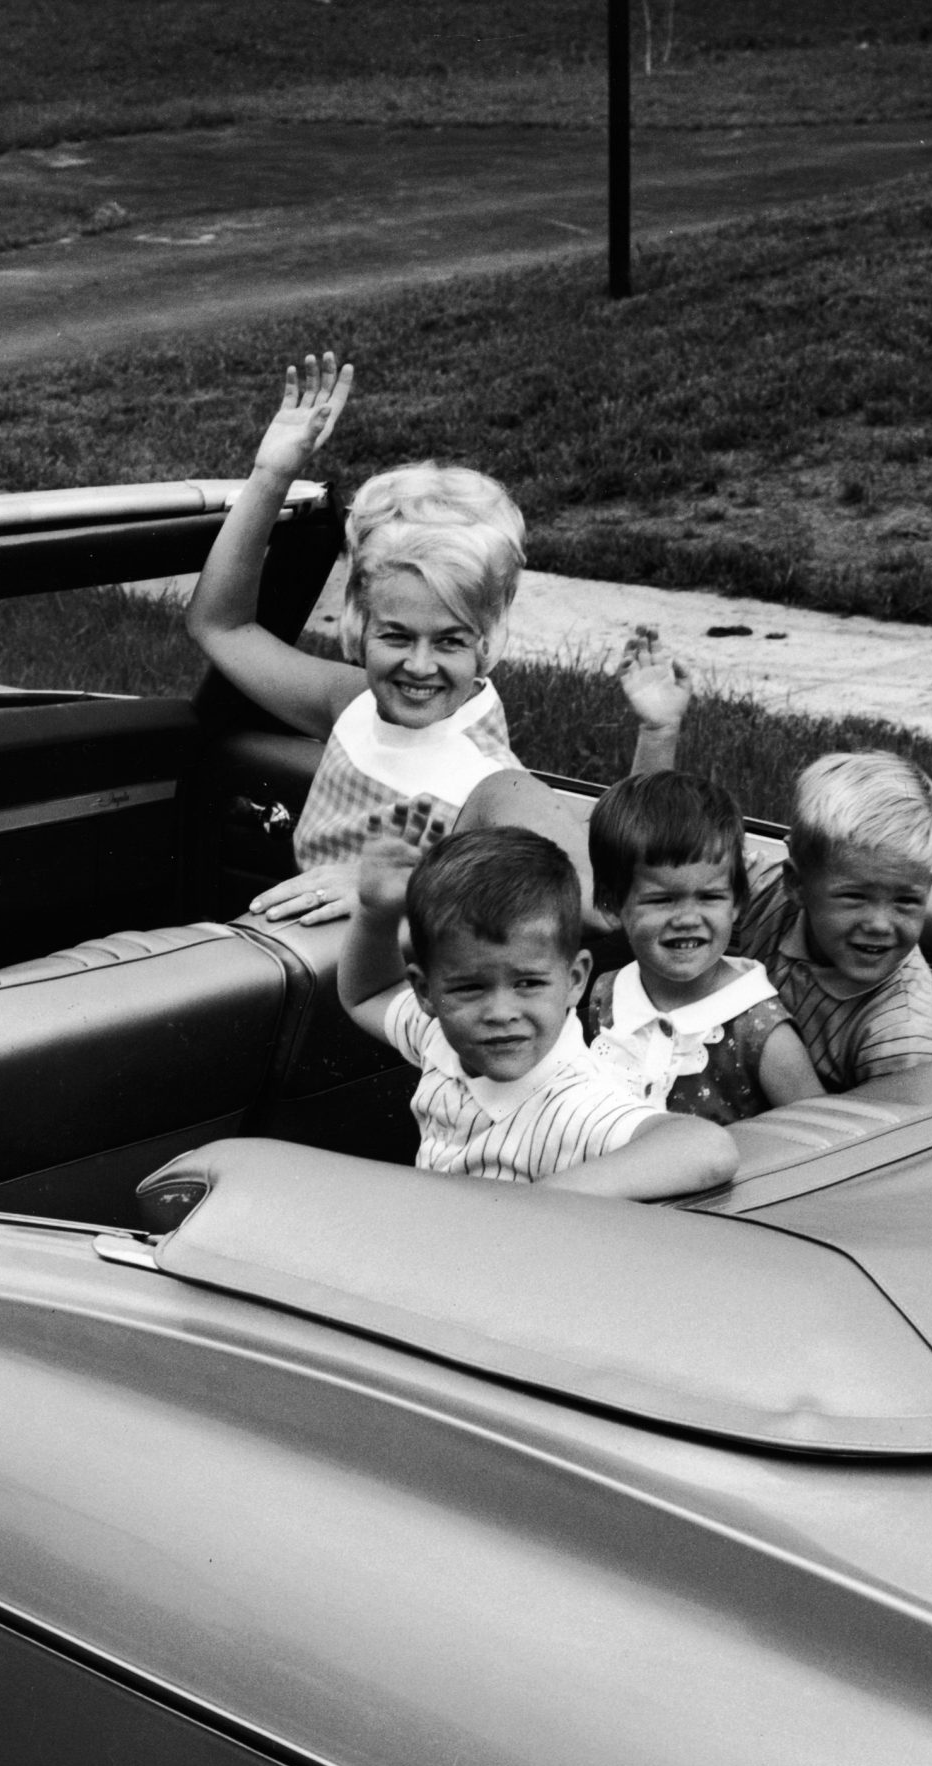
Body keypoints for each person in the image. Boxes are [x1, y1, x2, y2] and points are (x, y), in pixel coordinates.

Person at [185, 352, 680, 927]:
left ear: (488, 638)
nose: (419, 666)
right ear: (357, 625)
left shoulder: (492, 786)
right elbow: (219, 625)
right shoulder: (353, 704)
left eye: (449, 641)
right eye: (396, 635)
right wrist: (271, 475)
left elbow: (612, 904)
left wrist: (415, 881)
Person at [335, 818, 739, 1197]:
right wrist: (375, 916)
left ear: (575, 980)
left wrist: (539, 1203)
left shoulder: (574, 1103)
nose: (500, 1012)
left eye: (528, 983)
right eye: (471, 988)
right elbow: (369, 994)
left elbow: (707, 1148)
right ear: (426, 993)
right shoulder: (438, 1034)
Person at [581, 771, 824, 1121]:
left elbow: (823, 1139)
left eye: (710, 897)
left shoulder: (759, 1032)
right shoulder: (608, 995)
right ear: (611, 903)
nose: (687, 918)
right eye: (662, 900)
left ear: (737, 901)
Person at [729, 751, 932, 1091]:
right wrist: (658, 732)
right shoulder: (768, 891)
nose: (879, 924)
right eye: (855, 897)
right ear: (796, 884)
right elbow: (652, 851)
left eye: (906, 900)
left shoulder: (901, 1038)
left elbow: (890, 1141)